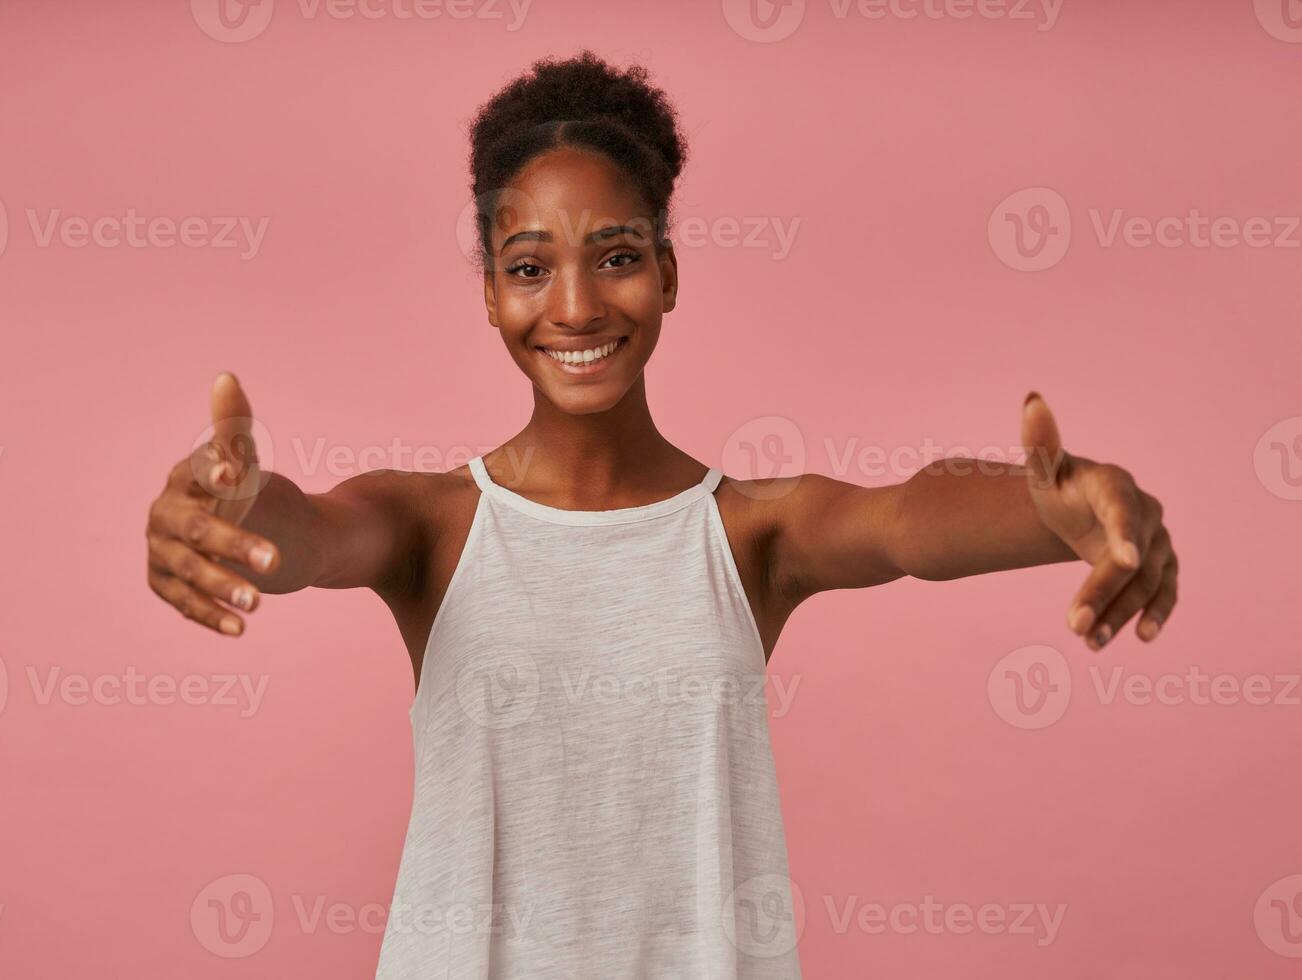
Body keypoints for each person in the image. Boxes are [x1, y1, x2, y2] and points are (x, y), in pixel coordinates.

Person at [144, 50, 1178, 979]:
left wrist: (1059, 506)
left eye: (619, 255)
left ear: (669, 271)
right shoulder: (431, 524)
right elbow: (307, 533)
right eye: (529, 267)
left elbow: (904, 517)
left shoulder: (747, 531)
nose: (579, 305)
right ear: (491, 295)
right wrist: (223, 504)